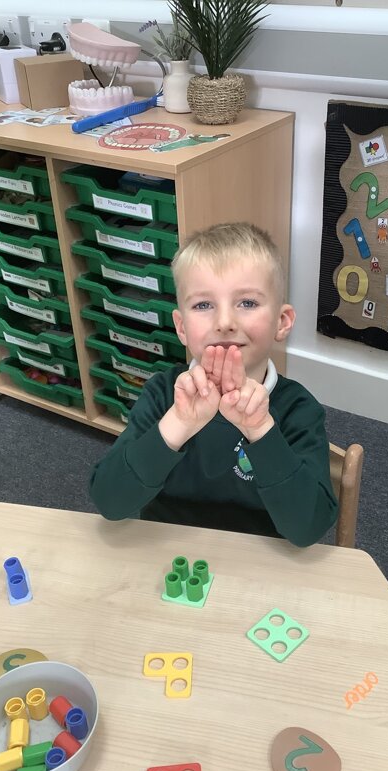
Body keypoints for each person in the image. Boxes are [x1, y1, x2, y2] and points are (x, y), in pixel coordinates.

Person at [89, 222, 338, 546]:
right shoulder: (163, 395)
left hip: (262, 568)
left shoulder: (297, 409)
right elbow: (110, 502)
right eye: (203, 305)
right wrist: (179, 423)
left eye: (247, 303)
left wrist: (261, 429)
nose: (224, 323)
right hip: (168, 561)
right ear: (181, 326)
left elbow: (309, 528)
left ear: (282, 321)